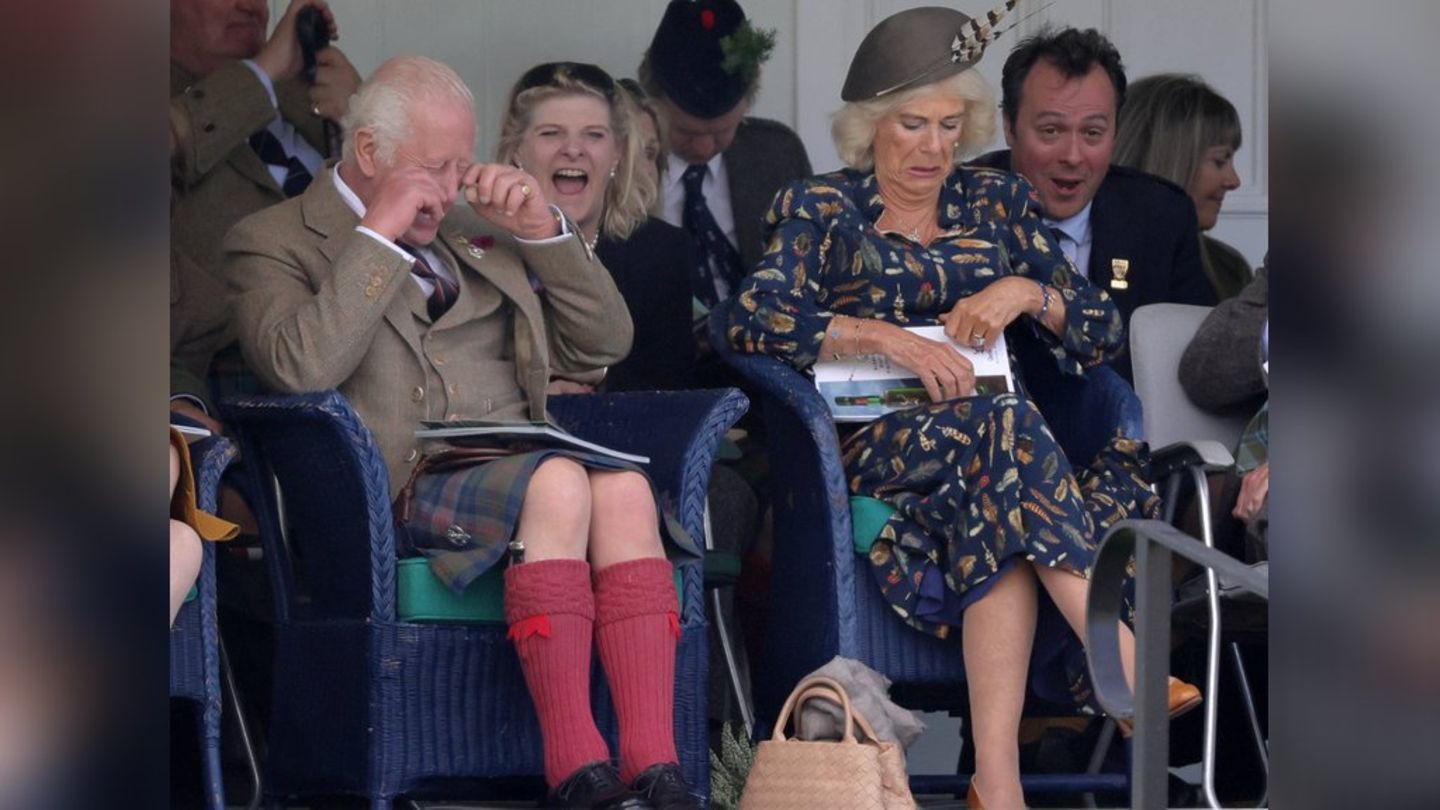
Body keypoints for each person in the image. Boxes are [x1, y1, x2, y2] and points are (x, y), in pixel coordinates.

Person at [724, 8, 1198, 808]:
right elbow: (747, 320)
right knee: (1009, 425)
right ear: (869, 127)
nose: (934, 148)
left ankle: (996, 784)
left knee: (1001, 502)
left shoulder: (997, 202)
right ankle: (1119, 659)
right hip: (878, 443)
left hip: (988, 461)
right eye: (912, 125)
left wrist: (1025, 291)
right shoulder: (820, 209)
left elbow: (1097, 328)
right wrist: (884, 339)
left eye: (950, 126)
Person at [225, 56, 701, 810]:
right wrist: (376, 237)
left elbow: (603, 344)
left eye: (462, 165)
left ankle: (655, 764)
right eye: (434, 168)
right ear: (372, 154)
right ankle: (576, 764)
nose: (452, 189)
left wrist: (545, 231)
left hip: (519, 463)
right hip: (395, 486)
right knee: (560, 481)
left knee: (626, 495)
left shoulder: (478, 226)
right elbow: (299, 367)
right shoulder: (274, 239)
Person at [969, 26, 1214, 381]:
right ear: (1009, 126)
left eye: (1092, 133)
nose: (1073, 156)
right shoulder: (959, 202)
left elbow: (1191, 366)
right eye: (1051, 130)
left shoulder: (1160, 216)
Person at [497, 62, 695, 394]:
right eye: (551, 133)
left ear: (617, 152)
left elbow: (675, 392)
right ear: (517, 150)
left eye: (593, 135)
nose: (573, 150)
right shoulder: (480, 246)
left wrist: (598, 381)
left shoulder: (660, 251)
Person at [638, 0, 811, 316]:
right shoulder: (623, 163)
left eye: (722, 131)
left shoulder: (777, 153)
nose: (704, 148)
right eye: (685, 132)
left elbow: (811, 265)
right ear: (652, 106)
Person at [1114, 73, 1252, 300]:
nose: (1234, 181)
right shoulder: (1086, 258)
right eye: (1220, 161)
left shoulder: (1230, 269)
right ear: (1170, 161)